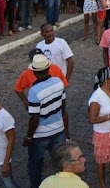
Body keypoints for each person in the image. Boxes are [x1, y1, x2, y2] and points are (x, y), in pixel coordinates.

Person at [23, 54, 66, 188]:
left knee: (35, 164)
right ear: (48, 69)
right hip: (59, 129)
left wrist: (29, 136)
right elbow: (63, 104)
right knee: (61, 162)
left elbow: (34, 118)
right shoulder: (59, 82)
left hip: (41, 134)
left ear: (34, 72)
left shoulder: (34, 91)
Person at [88, 67, 110, 188]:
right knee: (102, 161)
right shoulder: (97, 98)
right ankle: (102, 184)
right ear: (106, 80)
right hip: (103, 134)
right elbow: (92, 119)